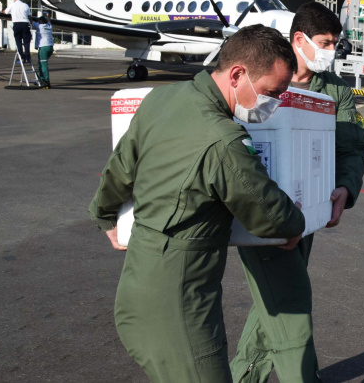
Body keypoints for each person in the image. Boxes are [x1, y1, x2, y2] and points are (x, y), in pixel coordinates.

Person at [89, 25, 307, 383]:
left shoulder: (162, 100)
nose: (276, 102)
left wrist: (104, 215)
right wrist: (297, 222)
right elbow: (270, 215)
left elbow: (119, 169)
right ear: (238, 74)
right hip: (179, 301)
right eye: (272, 92)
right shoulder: (223, 140)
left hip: (138, 284)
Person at [231, 2, 364, 383]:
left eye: (335, 43)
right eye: (325, 42)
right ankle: (284, 373)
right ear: (299, 39)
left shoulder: (336, 91)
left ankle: (248, 375)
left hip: (307, 208)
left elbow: (352, 147)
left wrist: (345, 187)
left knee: (276, 296)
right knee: (285, 296)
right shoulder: (263, 71)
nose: (331, 51)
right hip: (255, 202)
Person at [7, 0, 32, 64]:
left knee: (18, 41)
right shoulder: (25, 5)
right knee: (26, 41)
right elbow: (29, 16)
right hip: (25, 24)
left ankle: (21, 56)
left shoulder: (12, 5)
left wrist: (3, 11)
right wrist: (31, 22)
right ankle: (27, 57)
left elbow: (5, 12)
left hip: (17, 24)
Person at [33, 15, 54, 88]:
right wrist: (48, 17)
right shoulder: (49, 26)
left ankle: (46, 81)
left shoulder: (39, 26)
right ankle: (41, 79)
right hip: (50, 47)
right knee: (40, 63)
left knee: (44, 64)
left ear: (39, 22)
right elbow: (49, 21)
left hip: (43, 47)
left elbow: (30, 21)